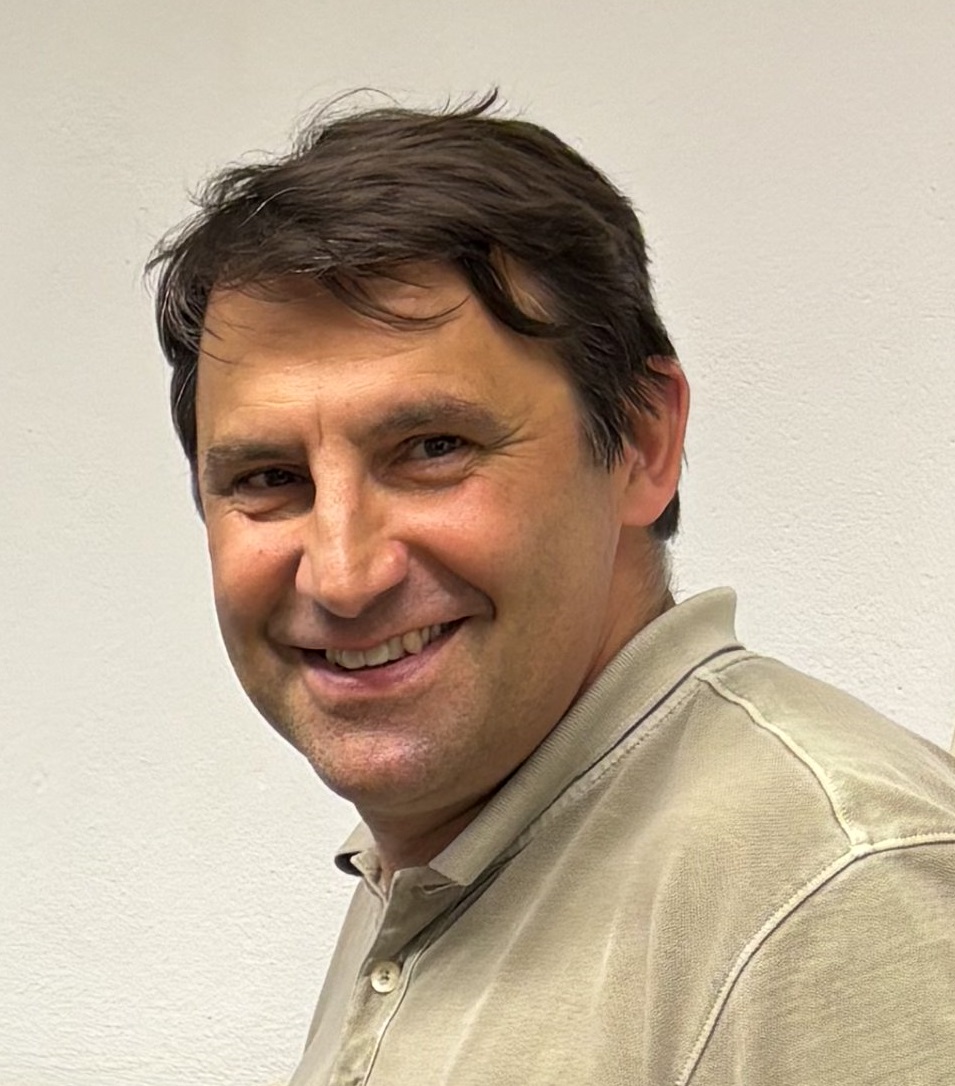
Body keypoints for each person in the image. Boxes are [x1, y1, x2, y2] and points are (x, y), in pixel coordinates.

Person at [148, 93, 955, 1085]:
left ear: (642, 442)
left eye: (433, 449)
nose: (344, 575)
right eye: (270, 478)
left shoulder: (838, 896)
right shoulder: (443, 856)